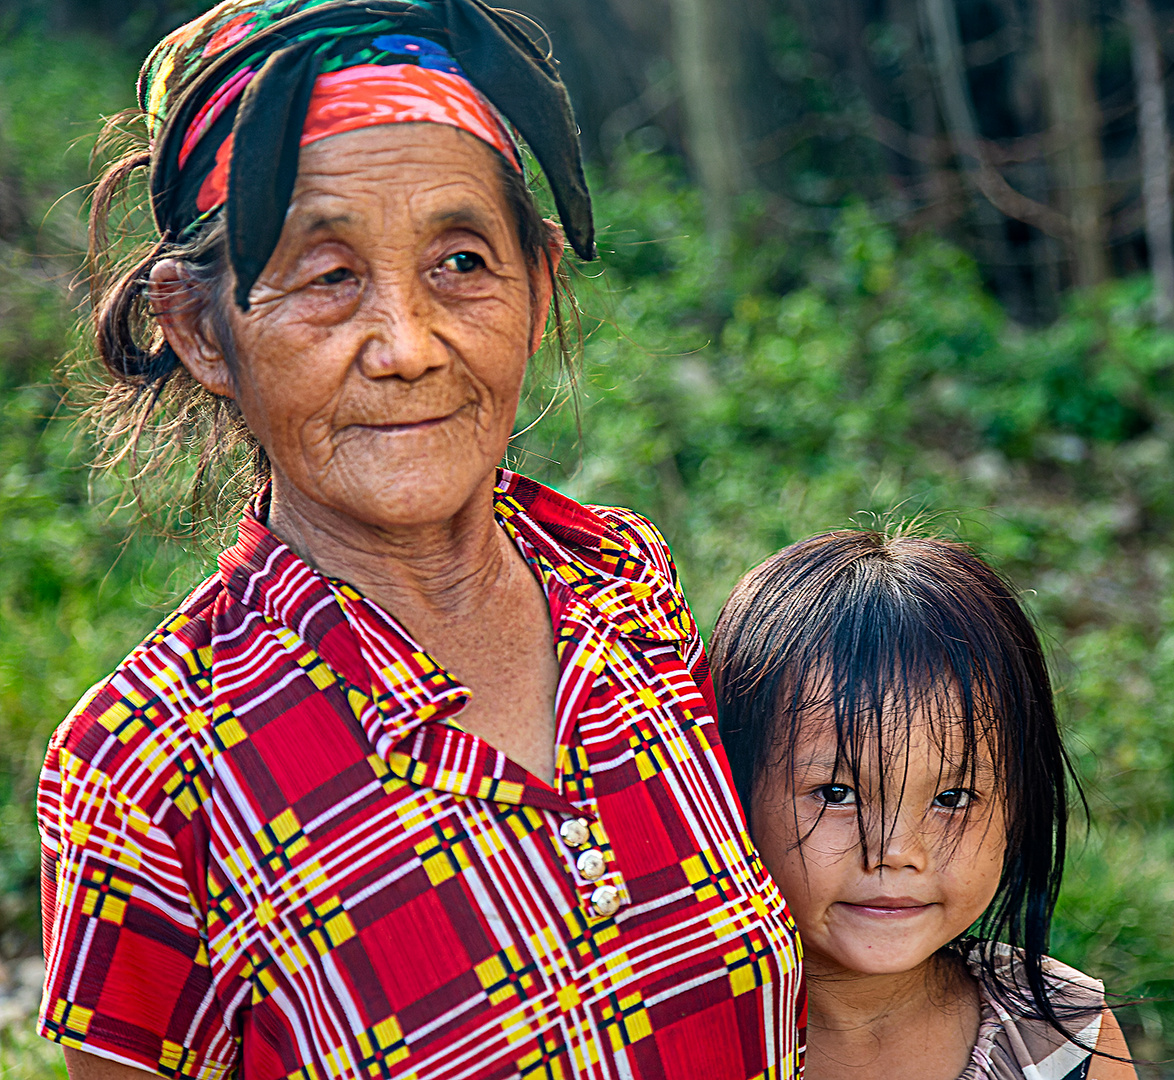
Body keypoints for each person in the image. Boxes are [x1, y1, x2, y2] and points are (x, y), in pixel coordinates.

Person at [37, 2, 800, 1077]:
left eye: (458, 262)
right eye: (328, 274)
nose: (405, 345)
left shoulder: (627, 585)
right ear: (203, 330)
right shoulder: (152, 767)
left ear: (534, 286)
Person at [709, 531, 1137, 1080]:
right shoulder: (679, 1043)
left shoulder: (1061, 1038)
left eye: (952, 799)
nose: (897, 852)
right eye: (837, 794)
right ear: (729, 788)